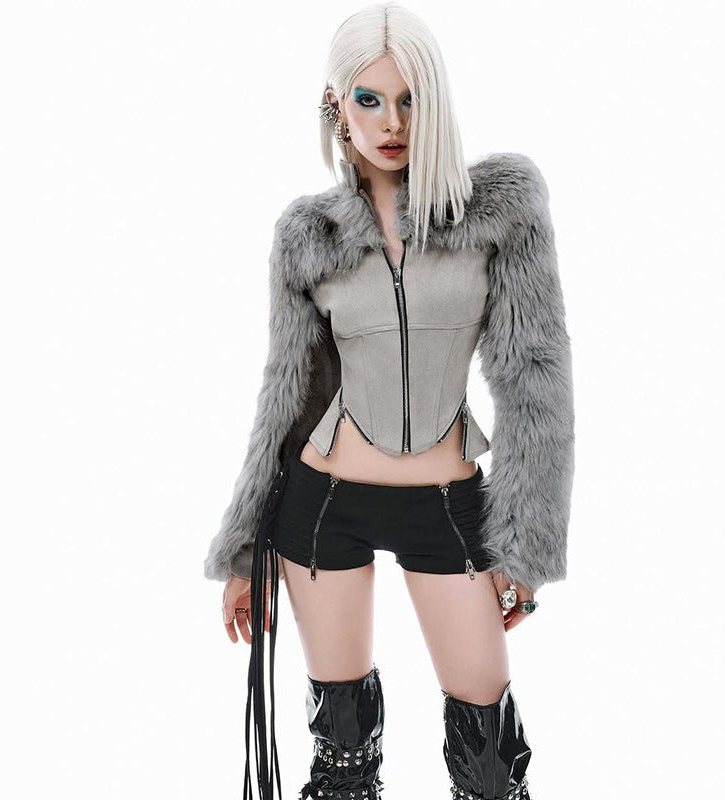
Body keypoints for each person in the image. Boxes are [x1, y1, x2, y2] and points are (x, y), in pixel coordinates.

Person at [203, 5, 575, 800]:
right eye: (369, 100)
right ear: (336, 104)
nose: (393, 122)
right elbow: (286, 394)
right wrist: (245, 549)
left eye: (411, 99)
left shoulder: (499, 211)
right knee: (342, 764)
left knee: (491, 768)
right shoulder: (309, 235)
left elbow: (535, 375)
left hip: (447, 505)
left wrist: (528, 544)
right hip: (322, 502)